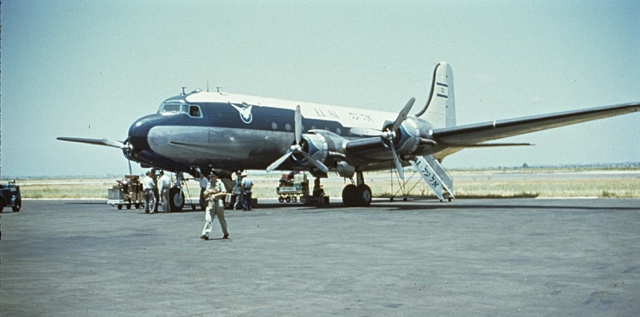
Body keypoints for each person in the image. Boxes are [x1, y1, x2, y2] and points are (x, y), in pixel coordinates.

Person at [201, 172, 229, 240]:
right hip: (210, 203)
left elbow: (224, 192)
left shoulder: (220, 183)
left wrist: (216, 195)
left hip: (218, 203)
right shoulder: (209, 183)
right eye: (210, 177)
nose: (211, 178)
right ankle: (206, 234)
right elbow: (204, 194)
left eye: (213, 177)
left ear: (216, 177)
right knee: (208, 219)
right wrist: (209, 193)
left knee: (221, 219)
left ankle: (226, 232)